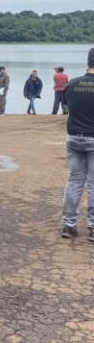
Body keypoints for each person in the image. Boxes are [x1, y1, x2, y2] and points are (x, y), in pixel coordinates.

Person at [60, 48, 94, 240]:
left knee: (74, 181)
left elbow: (66, 105)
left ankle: (68, 224)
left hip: (74, 137)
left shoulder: (72, 83)